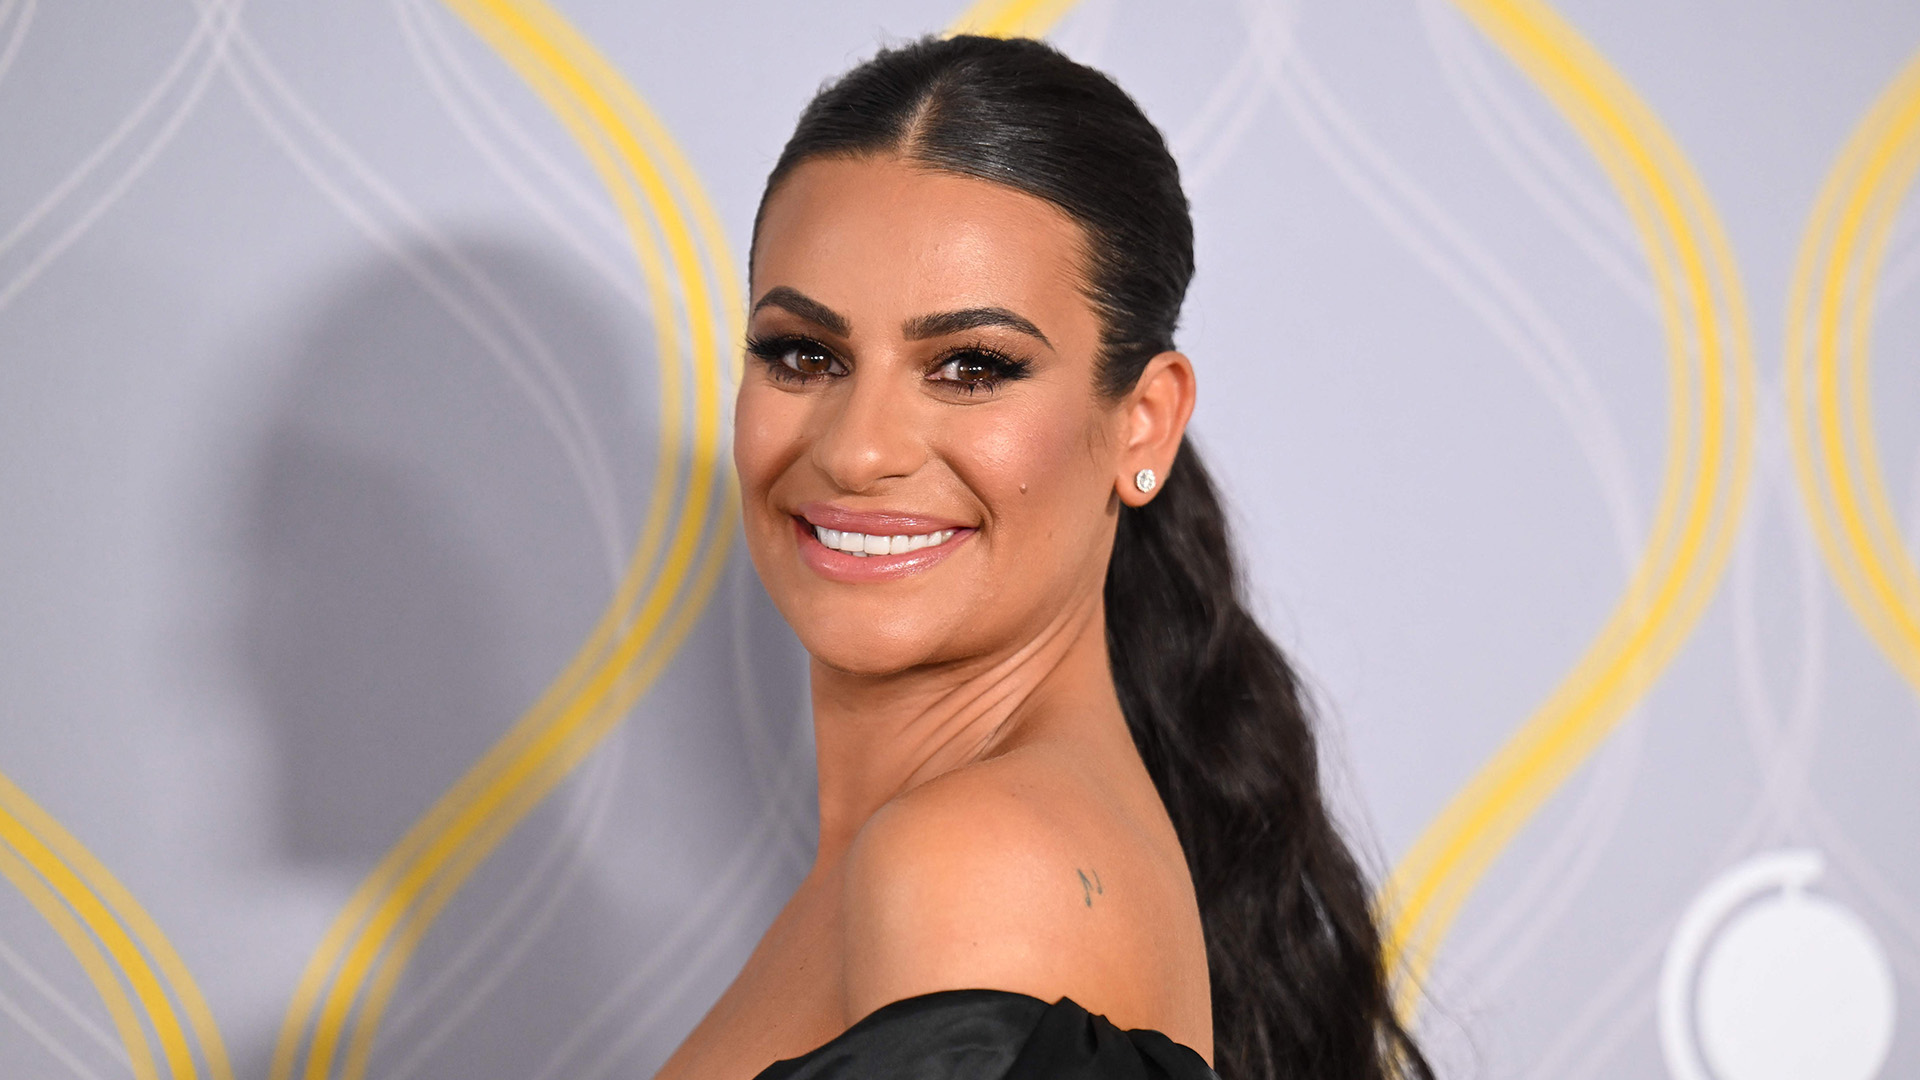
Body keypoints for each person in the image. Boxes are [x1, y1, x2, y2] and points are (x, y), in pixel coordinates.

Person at [656, 34, 1433, 1080]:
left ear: (1144, 423)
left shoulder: (977, 868)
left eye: (971, 367)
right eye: (806, 354)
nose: (856, 450)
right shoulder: (968, 849)